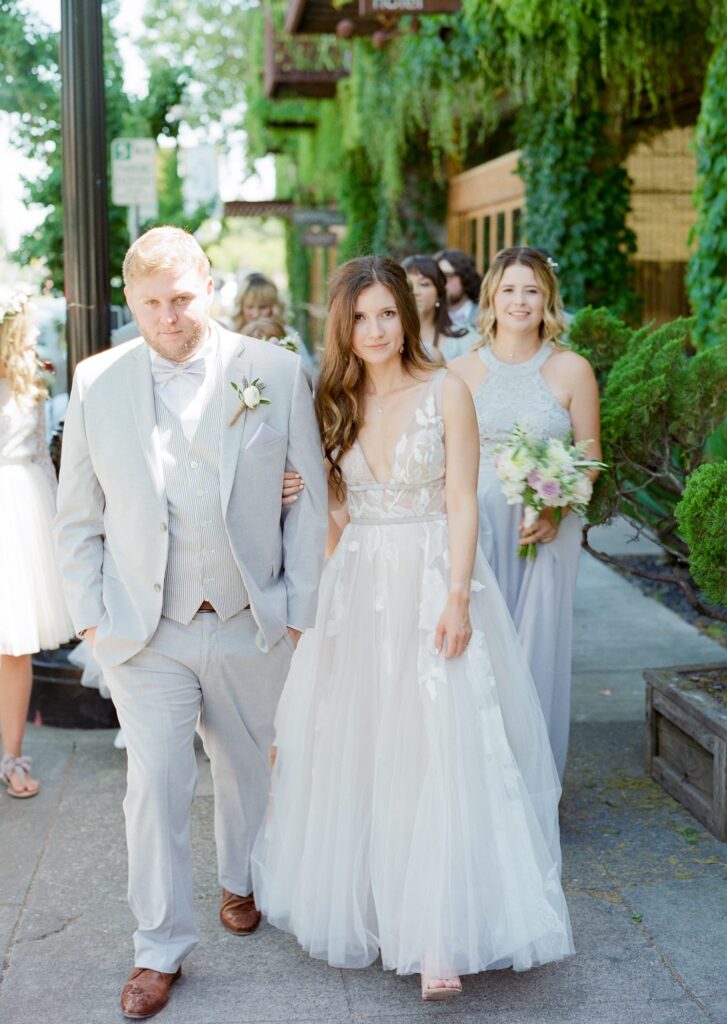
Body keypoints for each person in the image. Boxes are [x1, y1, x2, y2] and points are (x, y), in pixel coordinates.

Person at [252, 255, 573, 1003]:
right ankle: (378, 905)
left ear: (408, 313)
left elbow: (463, 500)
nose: (374, 329)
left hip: (435, 576)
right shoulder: (329, 402)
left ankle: (438, 936)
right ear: (343, 325)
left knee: (442, 747)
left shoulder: (447, 390)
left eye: (386, 313)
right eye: (359, 317)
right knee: (367, 747)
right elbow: (330, 513)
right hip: (360, 586)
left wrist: (458, 597)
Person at [54, 227, 328, 1020]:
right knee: (156, 788)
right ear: (130, 302)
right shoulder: (97, 380)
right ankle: (159, 948)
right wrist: (94, 625)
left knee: (250, 771)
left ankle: (241, 882)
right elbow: (78, 519)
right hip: (147, 628)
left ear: (206, 286)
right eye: (150, 303)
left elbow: (305, 497)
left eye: (181, 298)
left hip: (250, 615)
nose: (169, 316)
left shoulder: (273, 370)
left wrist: (300, 612)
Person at [450, 247, 601, 777]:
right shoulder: (460, 371)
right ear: (491, 294)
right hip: (477, 531)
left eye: (532, 290)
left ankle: (532, 780)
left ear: (548, 300)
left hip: (547, 533)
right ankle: (481, 784)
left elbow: (589, 456)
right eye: (510, 289)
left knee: (536, 652)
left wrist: (557, 509)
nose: (520, 300)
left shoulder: (572, 369)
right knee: (480, 653)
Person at [0, 287, 73, 798]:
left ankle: (13, 756)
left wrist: (57, 528)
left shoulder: (33, 382)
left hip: (22, 515)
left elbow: (45, 462)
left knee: (14, 646)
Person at [402, 255, 476, 361]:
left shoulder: (466, 341)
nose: (414, 292)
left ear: (439, 294)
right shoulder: (390, 339)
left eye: (423, 284)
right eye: (408, 285)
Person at [434, 248, 482, 330]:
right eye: (438, 277)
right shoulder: (430, 317)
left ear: (465, 277)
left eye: (447, 275)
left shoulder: (484, 316)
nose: (442, 282)